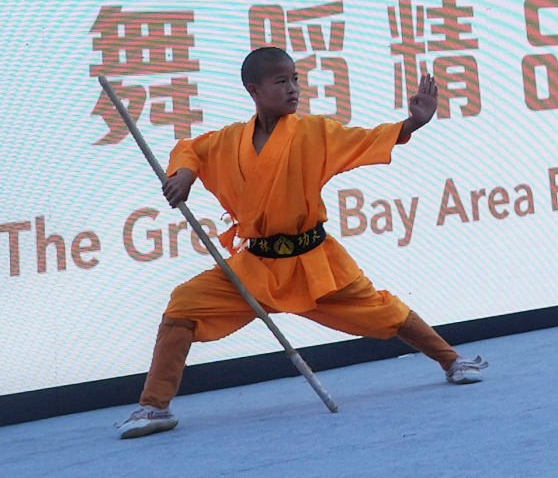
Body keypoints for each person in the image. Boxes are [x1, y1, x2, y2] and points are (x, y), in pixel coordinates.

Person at [116, 51, 484, 440]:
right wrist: (185, 175)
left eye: (295, 79)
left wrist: (413, 122)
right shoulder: (229, 141)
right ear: (253, 90)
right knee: (183, 306)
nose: (293, 89)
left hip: (313, 264)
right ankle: (154, 406)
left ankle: (453, 361)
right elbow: (191, 148)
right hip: (255, 267)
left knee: (383, 310)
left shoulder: (314, 133)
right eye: (281, 82)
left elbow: (366, 139)